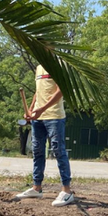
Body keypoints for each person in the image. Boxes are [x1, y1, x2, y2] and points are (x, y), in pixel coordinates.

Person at [14, 66, 74, 206]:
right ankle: (37, 188)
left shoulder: (57, 65)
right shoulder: (39, 68)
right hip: (38, 118)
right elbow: (38, 92)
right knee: (38, 151)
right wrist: (31, 109)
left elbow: (61, 91)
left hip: (54, 116)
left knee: (59, 151)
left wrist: (42, 109)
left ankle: (67, 191)